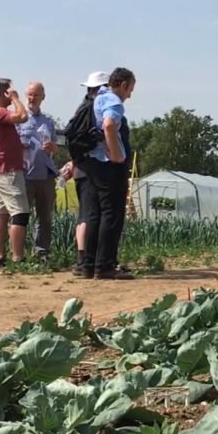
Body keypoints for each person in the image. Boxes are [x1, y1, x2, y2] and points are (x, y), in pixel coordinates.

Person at [82, 67, 136, 280]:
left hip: (92, 163)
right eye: (130, 89)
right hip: (107, 165)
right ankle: (104, 266)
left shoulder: (98, 97)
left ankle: (89, 264)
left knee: (94, 214)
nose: (130, 94)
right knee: (111, 214)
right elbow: (109, 124)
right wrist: (116, 155)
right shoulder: (113, 100)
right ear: (123, 85)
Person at [63, 71, 109, 275]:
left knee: (85, 215)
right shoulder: (97, 108)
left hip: (80, 165)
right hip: (91, 166)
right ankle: (86, 261)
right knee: (92, 216)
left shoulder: (82, 107)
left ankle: (83, 260)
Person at [0, 77, 29, 268]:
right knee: (20, 212)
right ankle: (17, 258)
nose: (11, 92)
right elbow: (22, 116)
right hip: (7, 170)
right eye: (8, 90)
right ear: (2, 93)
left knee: (1, 213)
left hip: (1, 168)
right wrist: (17, 99)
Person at [15, 82, 58, 261]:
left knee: (44, 216)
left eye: (36, 95)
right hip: (26, 174)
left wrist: (52, 147)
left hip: (45, 175)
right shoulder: (19, 119)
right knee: (21, 216)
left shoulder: (48, 121)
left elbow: (56, 148)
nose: (32, 99)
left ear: (43, 97)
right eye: (30, 95)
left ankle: (42, 252)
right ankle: (18, 253)